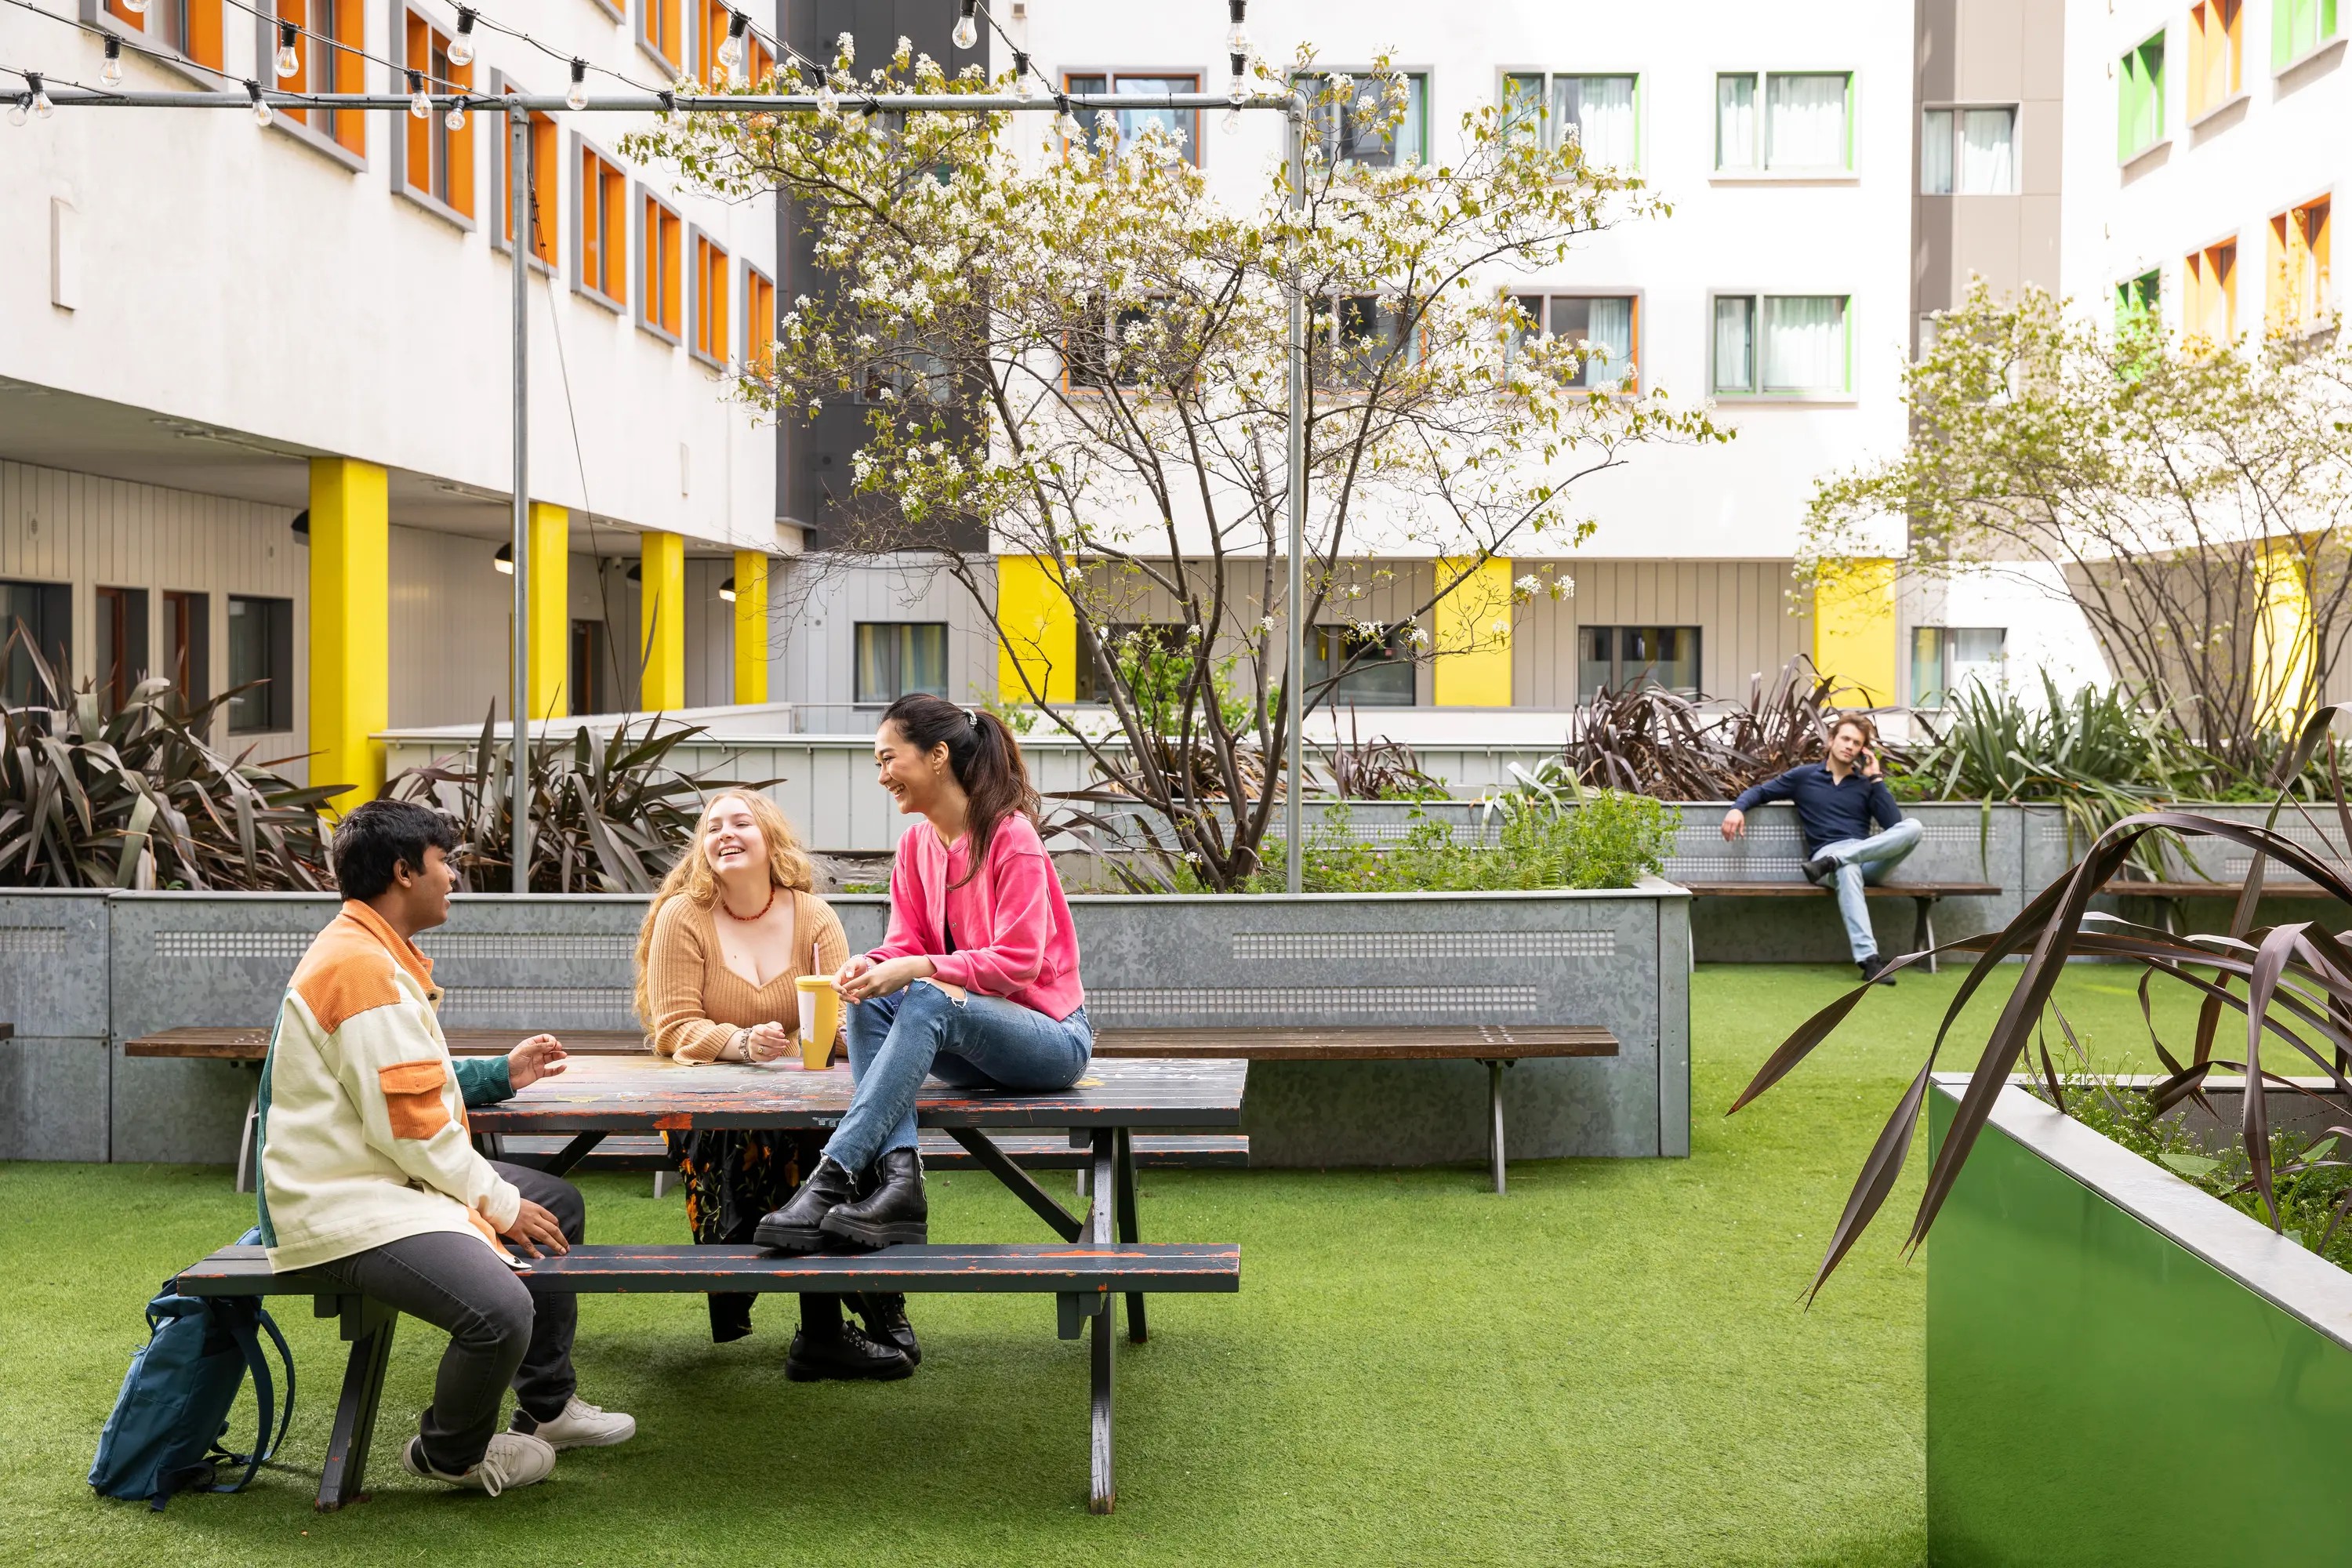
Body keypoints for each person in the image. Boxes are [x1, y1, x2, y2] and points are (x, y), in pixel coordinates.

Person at [255, 799, 635, 1498]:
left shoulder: (369, 952)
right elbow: (414, 1130)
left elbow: (398, 1080)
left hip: (379, 1177)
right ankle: (449, 1453)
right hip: (345, 1205)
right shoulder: (360, 970)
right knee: (499, 1312)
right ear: (404, 872)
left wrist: (501, 1074)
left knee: (559, 1202)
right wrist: (499, 1203)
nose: (454, 877)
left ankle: (545, 1410)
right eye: (444, 862)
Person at [755, 692, 1092, 1268]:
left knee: (929, 995)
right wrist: (873, 964)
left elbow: (1018, 962)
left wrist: (918, 968)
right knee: (868, 1004)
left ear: (937, 755)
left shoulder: (1012, 838)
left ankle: (832, 1176)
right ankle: (899, 1185)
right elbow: (907, 942)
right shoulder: (915, 846)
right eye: (878, 763)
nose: (883, 775)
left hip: (1051, 1040)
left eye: (890, 759)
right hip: (967, 1037)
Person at [634, 789, 914, 1381]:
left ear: (771, 841)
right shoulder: (681, 917)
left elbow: (844, 1031)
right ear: (702, 847)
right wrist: (740, 1044)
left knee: (833, 1139)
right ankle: (844, 1322)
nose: (726, 834)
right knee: (800, 1146)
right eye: (713, 827)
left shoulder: (815, 918)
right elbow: (674, 1027)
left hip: (808, 1105)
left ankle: (831, 1328)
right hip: (714, 1112)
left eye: (742, 823)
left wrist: (847, 1019)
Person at [1721, 713, 1922, 986]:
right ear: (1831, 740)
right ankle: (1870, 962)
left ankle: (1837, 860)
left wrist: (1876, 779)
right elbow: (1760, 792)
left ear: (1862, 749)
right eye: (1845, 738)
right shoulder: (1804, 777)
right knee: (1847, 869)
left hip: (1865, 858)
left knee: (1914, 828)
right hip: (1826, 859)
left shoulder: (1865, 785)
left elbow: (1894, 828)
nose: (1849, 746)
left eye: (1856, 742)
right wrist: (1736, 809)